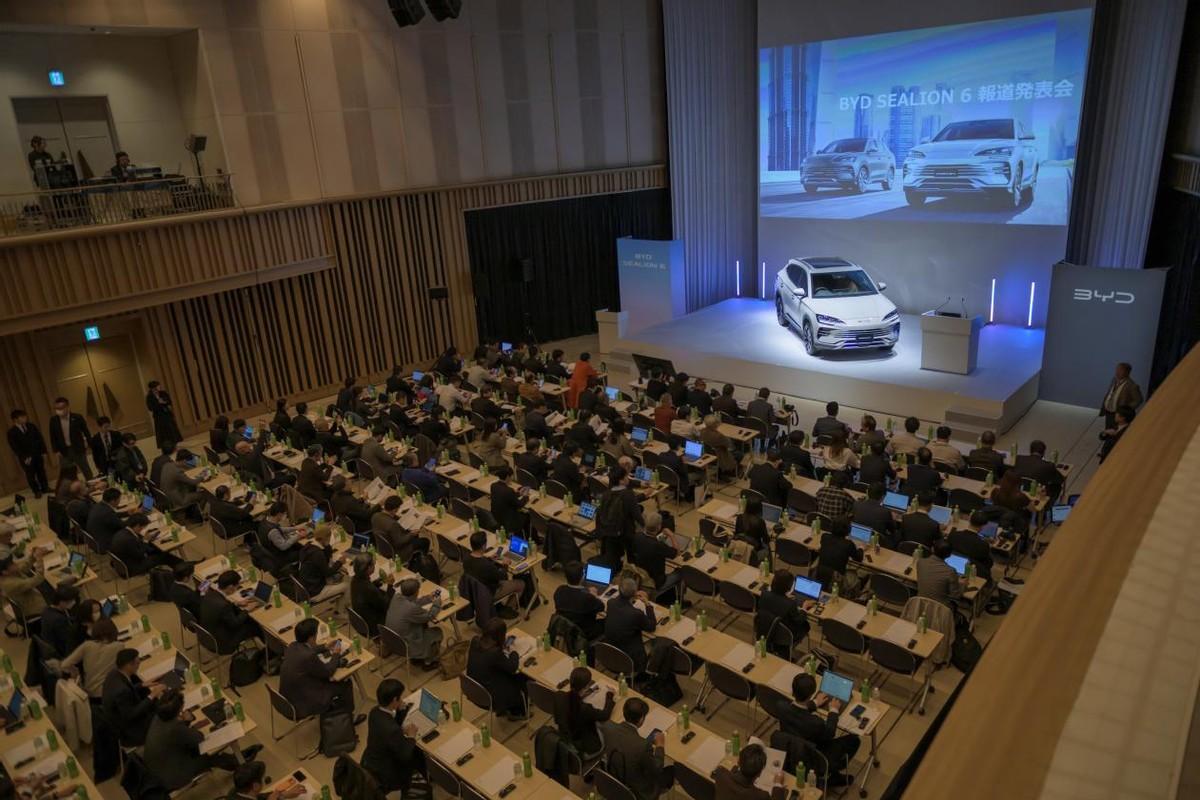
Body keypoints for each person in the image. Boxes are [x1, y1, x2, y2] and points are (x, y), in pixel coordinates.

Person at [145, 689, 258, 790]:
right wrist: (187, 720)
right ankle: (240, 765)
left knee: (205, 751)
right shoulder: (175, 727)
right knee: (209, 756)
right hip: (173, 775)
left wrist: (183, 722)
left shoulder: (158, 717)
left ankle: (236, 759)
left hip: (158, 767)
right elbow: (198, 738)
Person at [773, 673, 861, 787]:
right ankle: (831, 774)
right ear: (811, 694)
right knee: (854, 740)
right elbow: (830, 733)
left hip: (791, 749)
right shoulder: (815, 723)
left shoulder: (781, 706)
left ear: (793, 691)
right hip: (813, 756)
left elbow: (798, 712)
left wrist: (814, 703)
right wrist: (833, 710)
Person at [280, 618, 360, 720]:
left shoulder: (292, 646)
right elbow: (328, 671)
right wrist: (336, 654)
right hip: (302, 702)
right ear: (311, 638)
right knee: (345, 683)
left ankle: (339, 711)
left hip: (287, 698)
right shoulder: (308, 656)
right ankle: (349, 719)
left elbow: (307, 649)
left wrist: (325, 647)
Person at [361, 679, 426, 795]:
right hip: (386, 773)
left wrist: (399, 711)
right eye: (400, 698)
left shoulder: (374, 712)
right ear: (394, 700)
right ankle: (420, 782)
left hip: (370, 762)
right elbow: (405, 755)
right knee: (418, 753)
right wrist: (411, 736)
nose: (402, 700)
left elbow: (388, 727)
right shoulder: (392, 730)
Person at [599, 698, 669, 800]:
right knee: (670, 770)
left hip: (614, 778)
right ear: (641, 719)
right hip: (638, 790)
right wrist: (660, 746)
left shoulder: (608, 726)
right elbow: (657, 768)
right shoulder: (643, 746)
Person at [102, 647, 164, 746]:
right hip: (131, 731)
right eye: (137, 663)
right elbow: (131, 714)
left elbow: (126, 690)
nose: (139, 665)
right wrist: (152, 695)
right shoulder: (121, 691)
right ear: (128, 665)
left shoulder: (114, 674)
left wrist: (142, 685)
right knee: (165, 711)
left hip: (121, 718)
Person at [466, 619, 528, 718]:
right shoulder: (494, 653)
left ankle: (509, 708)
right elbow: (512, 667)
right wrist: (514, 653)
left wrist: (500, 647)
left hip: (473, 690)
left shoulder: (475, 641)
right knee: (521, 677)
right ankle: (519, 711)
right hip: (490, 697)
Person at [383, 577, 443, 669]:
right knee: (437, 632)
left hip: (391, 640)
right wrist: (437, 604)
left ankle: (419, 656)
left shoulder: (396, 597)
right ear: (416, 592)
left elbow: (411, 602)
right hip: (405, 645)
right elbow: (430, 616)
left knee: (422, 626)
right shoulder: (411, 608)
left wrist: (428, 598)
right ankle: (429, 662)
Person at [556, 666, 614, 758]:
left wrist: (585, 694)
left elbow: (572, 699)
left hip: (566, 741)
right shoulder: (585, 709)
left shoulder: (559, 696)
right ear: (586, 687)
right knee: (608, 727)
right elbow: (605, 715)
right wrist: (610, 696)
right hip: (586, 749)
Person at [200, 570, 263, 653]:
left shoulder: (210, 593)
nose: (237, 588)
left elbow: (221, 608)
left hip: (207, 636)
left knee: (241, 614)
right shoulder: (223, 605)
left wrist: (236, 604)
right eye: (237, 586)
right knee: (254, 624)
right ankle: (269, 651)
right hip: (223, 643)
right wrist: (247, 610)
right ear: (230, 587)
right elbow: (235, 623)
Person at [603, 578, 657, 674]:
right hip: (631, 658)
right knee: (655, 645)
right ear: (634, 594)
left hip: (612, 653)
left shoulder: (610, 603)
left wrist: (632, 595)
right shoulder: (636, 614)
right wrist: (647, 603)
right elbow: (652, 626)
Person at [61, 618, 123, 699]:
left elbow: (64, 665)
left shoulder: (87, 645)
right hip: (109, 693)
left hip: (90, 693)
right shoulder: (119, 646)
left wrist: (75, 671)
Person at [464, 530, 524, 608]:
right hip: (489, 592)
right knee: (520, 584)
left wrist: (489, 559)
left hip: (475, 592)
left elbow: (479, 565)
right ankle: (509, 608)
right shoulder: (486, 565)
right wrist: (505, 565)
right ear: (483, 546)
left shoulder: (466, 559)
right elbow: (503, 577)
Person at [758, 569, 812, 652]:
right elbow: (799, 620)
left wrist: (785, 598)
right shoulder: (791, 604)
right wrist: (804, 608)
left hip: (764, 629)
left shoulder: (764, 594)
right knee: (806, 625)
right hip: (784, 636)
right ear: (789, 588)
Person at [111, 512, 179, 575]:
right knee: (164, 556)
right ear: (137, 526)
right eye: (142, 528)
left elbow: (135, 547)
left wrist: (144, 540)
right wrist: (145, 541)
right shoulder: (129, 539)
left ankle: (179, 568)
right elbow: (140, 555)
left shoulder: (122, 532)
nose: (142, 530)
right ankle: (179, 572)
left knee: (156, 550)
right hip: (134, 567)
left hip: (127, 561)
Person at [296, 523, 348, 604]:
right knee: (346, 585)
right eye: (329, 537)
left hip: (307, 585)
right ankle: (340, 610)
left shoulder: (308, 545)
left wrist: (327, 546)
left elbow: (324, 560)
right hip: (315, 591)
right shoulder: (318, 554)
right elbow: (328, 573)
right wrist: (340, 562)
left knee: (338, 576)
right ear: (325, 537)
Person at [552, 561, 605, 641]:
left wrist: (587, 591)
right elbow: (601, 607)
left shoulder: (559, 590)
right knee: (605, 621)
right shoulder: (588, 598)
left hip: (564, 627)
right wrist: (595, 596)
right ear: (582, 577)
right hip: (583, 631)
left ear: (565, 576)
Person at [713, 744, 787, 800]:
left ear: (738, 762)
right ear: (759, 774)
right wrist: (778, 784)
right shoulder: (761, 796)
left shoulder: (720, 773)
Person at [630, 512, 680, 595]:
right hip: (656, 582)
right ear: (659, 527)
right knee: (680, 572)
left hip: (641, 576)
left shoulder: (637, 536)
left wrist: (661, 537)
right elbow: (677, 552)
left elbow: (649, 542)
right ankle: (678, 598)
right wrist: (671, 535)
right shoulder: (658, 546)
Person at [8, 409, 49, 497]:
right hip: (26, 457)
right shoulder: (11, 432)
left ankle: (45, 488)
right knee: (30, 474)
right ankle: (36, 491)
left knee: (41, 471)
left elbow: (40, 438)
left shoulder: (31, 426)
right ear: (15, 419)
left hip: (37, 453)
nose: (25, 418)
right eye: (22, 417)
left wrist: (44, 451)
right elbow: (15, 447)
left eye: (25, 416)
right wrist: (24, 457)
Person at [48, 396, 92, 479]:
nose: (59, 410)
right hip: (63, 450)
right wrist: (56, 450)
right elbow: (52, 436)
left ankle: (92, 483)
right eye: (57, 408)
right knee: (68, 473)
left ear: (67, 407)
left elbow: (86, 431)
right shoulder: (53, 420)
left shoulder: (77, 417)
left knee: (86, 469)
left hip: (78, 448)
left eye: (61, 408)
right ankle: (74, 486)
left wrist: (89, 444)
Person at [0, 550, 49, 622]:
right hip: (38, 609)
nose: (14, 563)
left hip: (36, 596)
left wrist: (33, 556)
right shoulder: (9, 584)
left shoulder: (9, 573)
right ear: (5, 572)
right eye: (11, 564)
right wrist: (39, 559)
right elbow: (38, 579)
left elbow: (24, 567)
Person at [948, 510, 995, 583]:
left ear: (969, 520)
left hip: (952, 566)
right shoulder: (983, 544)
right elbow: (988, 564)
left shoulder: (953, 535)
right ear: (983, 526)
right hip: (972, 572)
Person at [815, 517, 862, 588]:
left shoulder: (824, 537)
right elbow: (858, 559)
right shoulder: (848, 544)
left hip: (819, 573)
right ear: (848, 530)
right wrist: (861, 548)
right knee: (855, 575)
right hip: (837, 578)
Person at [917, 539, 964, 607]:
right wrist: (963, 587)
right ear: (949, 555)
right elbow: (955, 595)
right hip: (940, 608)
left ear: (932, 549)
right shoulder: (950, 571)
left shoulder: (920, 562)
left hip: (920, 603)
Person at [370, 495, 418, 560]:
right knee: (424, 541)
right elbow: (400, 542)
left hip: (382, 548)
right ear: (395, 509)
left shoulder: (375, 516)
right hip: (397, 551)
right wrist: (411, 534)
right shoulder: (392, 525)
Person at [39, 584, 81, 658]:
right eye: (71, 600)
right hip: (62, 653)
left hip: (52, 646)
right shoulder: (59, 620)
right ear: (62, 602)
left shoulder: (47, 610)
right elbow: (69, 641)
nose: (74, 602)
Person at [228, 761, 306, 800]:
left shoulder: (235, 791)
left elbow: (258, 796)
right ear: (255, 786)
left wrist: (282, 795)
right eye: (263, 777)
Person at [1099, 361, 1143, 428]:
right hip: (1109, 411)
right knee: (1108, 429)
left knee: (1116, 431)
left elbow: (1138, 400)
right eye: (1117, 369)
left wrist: (1126, 409)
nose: (1117, 372)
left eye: (1120, 370)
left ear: (1127, 372)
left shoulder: (1132, 385)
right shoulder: (1114, 380)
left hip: (1119, 415)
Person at [489, 465, 528, 535]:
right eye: (511, 476)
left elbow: (507, 497)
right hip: (509, 520)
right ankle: (526, 536)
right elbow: (519, 504)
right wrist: (525, 497)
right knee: (527, 516)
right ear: (507, 477)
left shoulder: (493, 485)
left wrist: (519, 493)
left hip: (496, 516)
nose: (512, 478)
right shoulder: (508, 490)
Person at [86, 487, 124, 553]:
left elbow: (113, 516)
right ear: (113, 501)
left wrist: (127, 513)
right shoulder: (107, 513)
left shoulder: (98, 506)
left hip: (93, 540)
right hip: (104, 544)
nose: (119, 501)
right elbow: (122, 525)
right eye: (119, 500)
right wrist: (134, 519)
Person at [145, 381, 181, 450]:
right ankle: (166, 447)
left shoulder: (163, 393)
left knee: (171, 429)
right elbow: (150, 408)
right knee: (163, 432)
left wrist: (164, 402)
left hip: (167, 414)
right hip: (159, 416)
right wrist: (158, 403)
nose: (159, 387)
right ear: (153, 388)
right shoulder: (149, 397)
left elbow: (169, 401)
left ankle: (175, 444)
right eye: (158, 386)